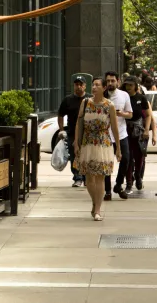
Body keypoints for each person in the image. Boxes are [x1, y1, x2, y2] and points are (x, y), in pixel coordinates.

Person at [74, 78, 122, 221]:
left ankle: (98, 210)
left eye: (97, 85)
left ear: (104, 88)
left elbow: (114, 128)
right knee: (89, 178)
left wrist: (118, 147)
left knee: (100, 177)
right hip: (87, 142)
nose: (94, 87)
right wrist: (76, 143)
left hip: (103, 143)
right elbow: (79, 123)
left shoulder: (109, 106)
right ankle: (95, 202)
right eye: (93, 85)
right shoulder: (85, 102)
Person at [103, 70, 134, 200]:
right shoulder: (102, 95)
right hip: (105, 135)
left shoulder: (124, 95)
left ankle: (119, 184)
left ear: (118, 81)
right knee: (107, 163)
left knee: (125, 159)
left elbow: (130, 114)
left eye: (113, 81)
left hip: (121, 134)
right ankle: (108, 191)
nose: (110, 83)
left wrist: (122, 114)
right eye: (108, 81)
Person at [123, 78, 155, 192]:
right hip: (125, 130)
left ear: (136, 86)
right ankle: (129, 182)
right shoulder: (122, 97)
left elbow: (148, 115)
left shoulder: (141, 98)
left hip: (138, 131)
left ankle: (138, 176)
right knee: (127, 157)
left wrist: (147, 130)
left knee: (139, 156)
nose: (128, 87)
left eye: (131, 85)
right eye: (127, 85)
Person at [56, 75, 88, 188]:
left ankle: (86, 178)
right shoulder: (68, 100)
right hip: (72, 133)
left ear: (85, 86)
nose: (78, 87)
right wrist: (61, 130)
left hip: (87, 133)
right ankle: (77, 178)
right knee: (74, 156)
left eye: (81, 84)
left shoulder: (89, 100)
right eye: (76, 85)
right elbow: (60, 115)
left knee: (86, 156)